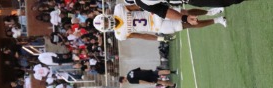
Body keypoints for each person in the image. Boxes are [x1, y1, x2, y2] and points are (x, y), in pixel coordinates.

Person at [93, 3, 226, 42]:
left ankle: (210, 12)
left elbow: (138, 6)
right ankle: (218, 20)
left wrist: (156, 5)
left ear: (106, 16)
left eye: (105, 21)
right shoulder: (120, 34)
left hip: (154, 14)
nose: (108, 23)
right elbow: (142, 36)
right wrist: (159, 38)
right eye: (105, 25)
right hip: (157, 27)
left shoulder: (119, 9)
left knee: (185, 13)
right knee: (187, 25)